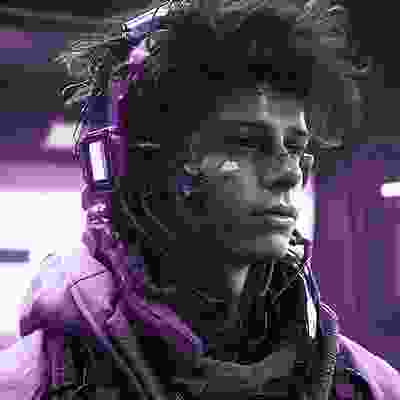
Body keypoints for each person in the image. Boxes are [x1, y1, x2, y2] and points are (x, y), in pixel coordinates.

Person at [1, 1, 400, 399]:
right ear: (145, 165)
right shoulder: (26, 388)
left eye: (295, 148)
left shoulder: (371, 387)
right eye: (247, 143)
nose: (289, 174)